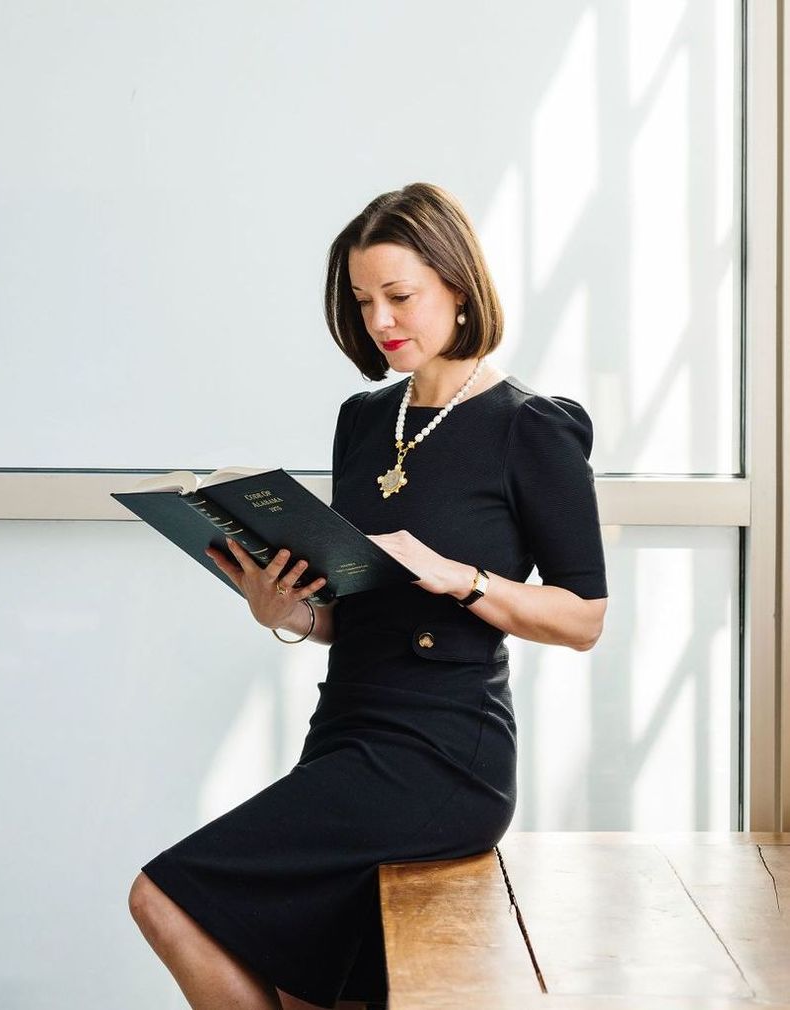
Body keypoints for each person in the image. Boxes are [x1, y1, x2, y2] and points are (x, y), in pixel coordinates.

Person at [128, 182, 609, 1010]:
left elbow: (584, 619)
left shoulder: (531, 427)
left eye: (400, 296)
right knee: (318, 990)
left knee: (163, 895)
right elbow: (357, 608)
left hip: (443, 753)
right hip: (347, 729)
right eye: (362, 300)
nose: (380, 320)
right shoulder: (363, 420)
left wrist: (464, 577)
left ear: (458, 287)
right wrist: (290, 613)